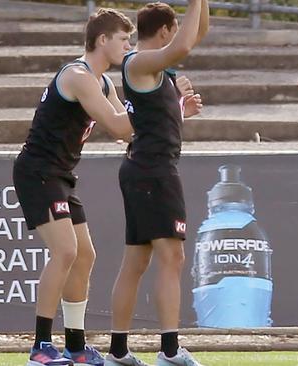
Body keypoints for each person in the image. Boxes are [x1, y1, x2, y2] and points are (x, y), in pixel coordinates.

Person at [13, 8, 135, 366]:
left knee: (85, 255)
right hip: (38, 171)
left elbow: (127, 132)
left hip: (60, 174)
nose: (128, 47)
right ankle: (39, 348)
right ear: (102, 40)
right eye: (123, 40)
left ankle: (75, 346)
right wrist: (162, 102)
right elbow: (116, 124)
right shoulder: (79, 75)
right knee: (65, 251)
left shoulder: (104, 83)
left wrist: (172, 112)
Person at [103, 1, 208, 366]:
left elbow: (197, 35)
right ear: (164, 30)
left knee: (137, 260)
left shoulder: (156, 71)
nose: (178, 34)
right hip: (153, 171)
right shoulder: (138, 61)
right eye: (175, 28)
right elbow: (183, 45)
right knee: (172, 256)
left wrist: (181, 113)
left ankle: (118, 352)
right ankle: (169, 350)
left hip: (145, 169)